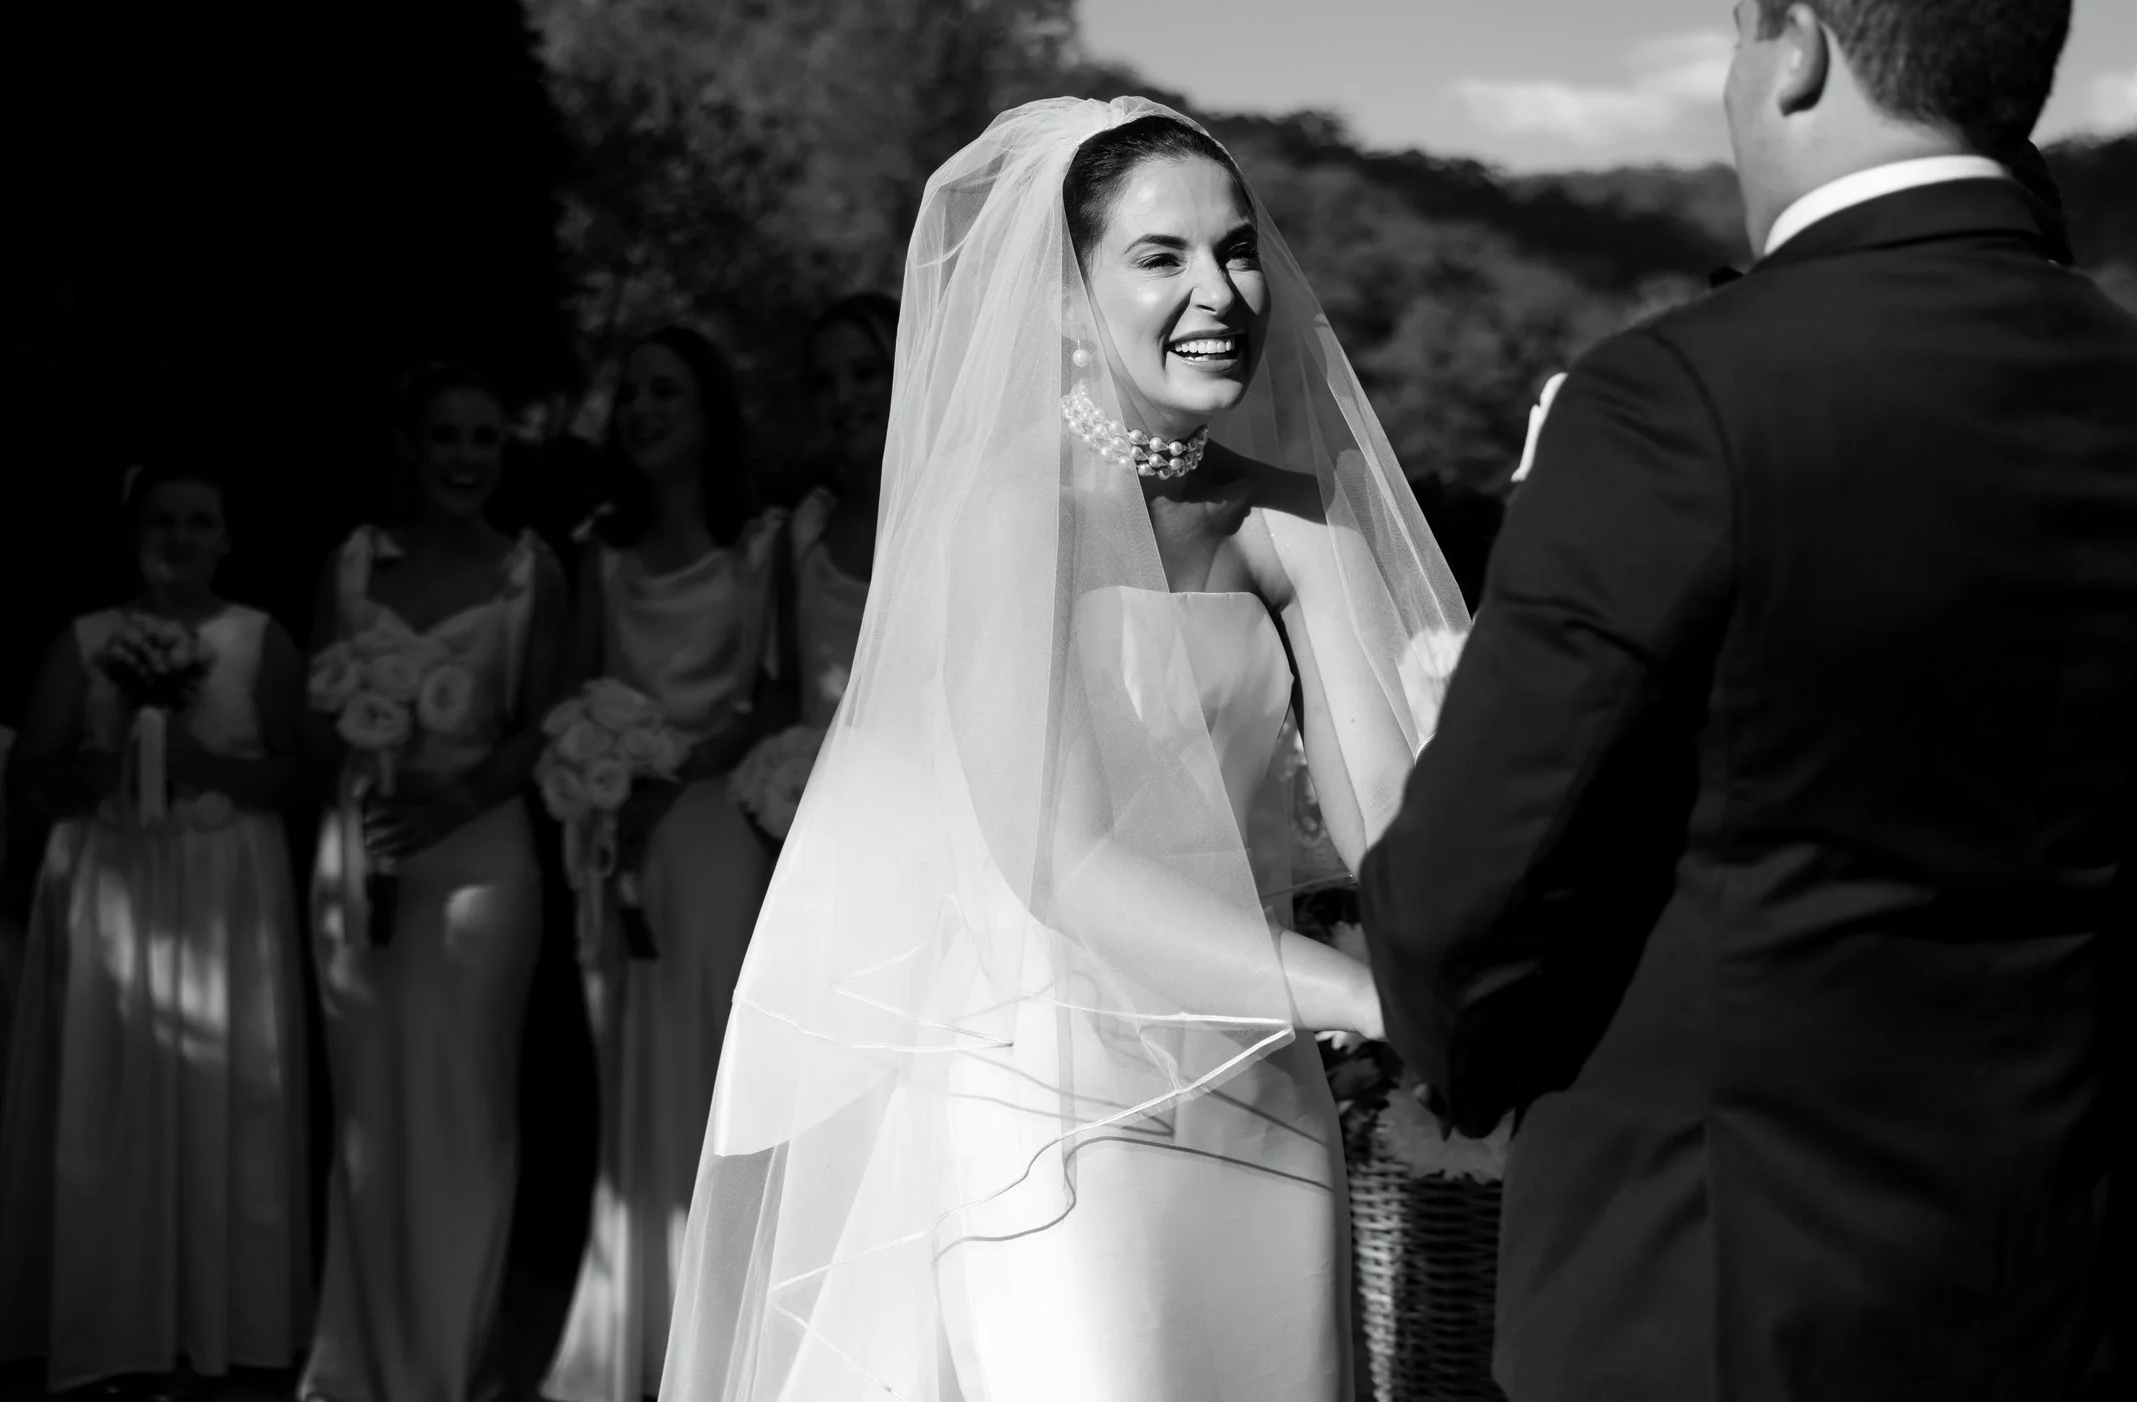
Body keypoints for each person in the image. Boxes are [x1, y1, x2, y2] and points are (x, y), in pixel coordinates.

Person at [1359, 0, 2137, 1402]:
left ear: (1793, 50)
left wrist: (1455, 1037)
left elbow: (1471, 892)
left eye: (1736, 38)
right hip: (2061, 1259)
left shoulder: (1674, 399)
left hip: (1724, 1278)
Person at [658, 99, 1468, 1402]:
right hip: (1055, 1107)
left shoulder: (1294, 514)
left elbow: (1390, 824)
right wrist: (1372, 998)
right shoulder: (1007, 513)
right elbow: (1062, 862)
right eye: (1161, 256)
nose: (1220, 292)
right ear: (1065, 300)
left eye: (1238, 250)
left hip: (1262, 1085)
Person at [0, 461, 315, 1396]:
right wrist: (105, 768)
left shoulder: (260, 638)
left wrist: (203, 763)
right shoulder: (85, 640)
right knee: (109, 1089)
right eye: (162, 520)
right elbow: (31, 781)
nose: (181, 537)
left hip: (225, 887)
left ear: (227, 536)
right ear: (133, 533)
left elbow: (303, 774)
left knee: (230, 1091)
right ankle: (107, 1319)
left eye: (200, 520)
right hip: (114, 882)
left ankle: (228, 1322)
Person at [299, 365, 570, 1402]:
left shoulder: (531, 571)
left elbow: (541, 719)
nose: (466, 457)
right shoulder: (352, 564)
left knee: (466, 1100)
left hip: (480, 861)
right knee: (368, 1105)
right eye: (447, 436)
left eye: (484, 438)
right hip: (361, 851)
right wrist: (364, 755)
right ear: (412, 448)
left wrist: (453, 800)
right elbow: (311, 715)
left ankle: (451, 1363)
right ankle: (359, 1360)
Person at [544, 327, 795, 1402]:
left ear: (708, 414)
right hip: (615, 843)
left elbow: (775, 700)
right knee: (626, 1082)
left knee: (710, 1075)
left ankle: (720, 1338)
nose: (643, 410)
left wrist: (677, 768)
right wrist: (601, 768)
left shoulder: (762, 543)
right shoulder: (598, 555)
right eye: (632, 394)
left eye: (667, 393)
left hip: (708, 832)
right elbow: (569, 694)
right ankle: (630, 1332)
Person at [790, 295, 901, 726]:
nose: (843, 396)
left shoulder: (965, 515)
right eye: (824, 382)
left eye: (865, 373)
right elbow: (785, 691)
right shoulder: (807, 527)